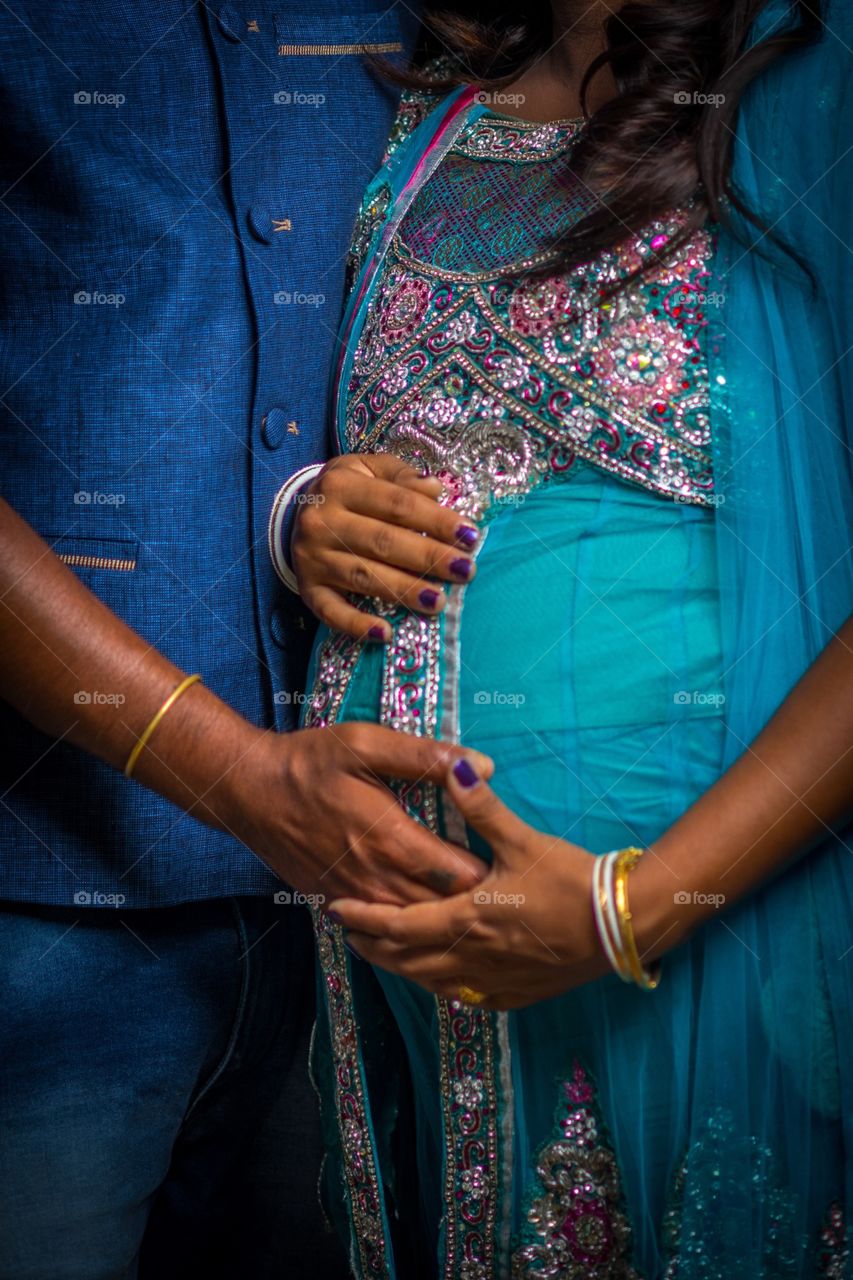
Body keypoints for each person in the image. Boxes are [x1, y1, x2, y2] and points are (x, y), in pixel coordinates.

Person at [281, 0, 853, 1274]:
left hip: (699, 940)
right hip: (417, 991)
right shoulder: (430, 114)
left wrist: (628, 906)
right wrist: (309, 517)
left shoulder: (807, 85)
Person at [0, 4, 495, 1277]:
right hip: (45, 904)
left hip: (373, 935)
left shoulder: (423, 18)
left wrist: (301, 512)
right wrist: (243, 776)